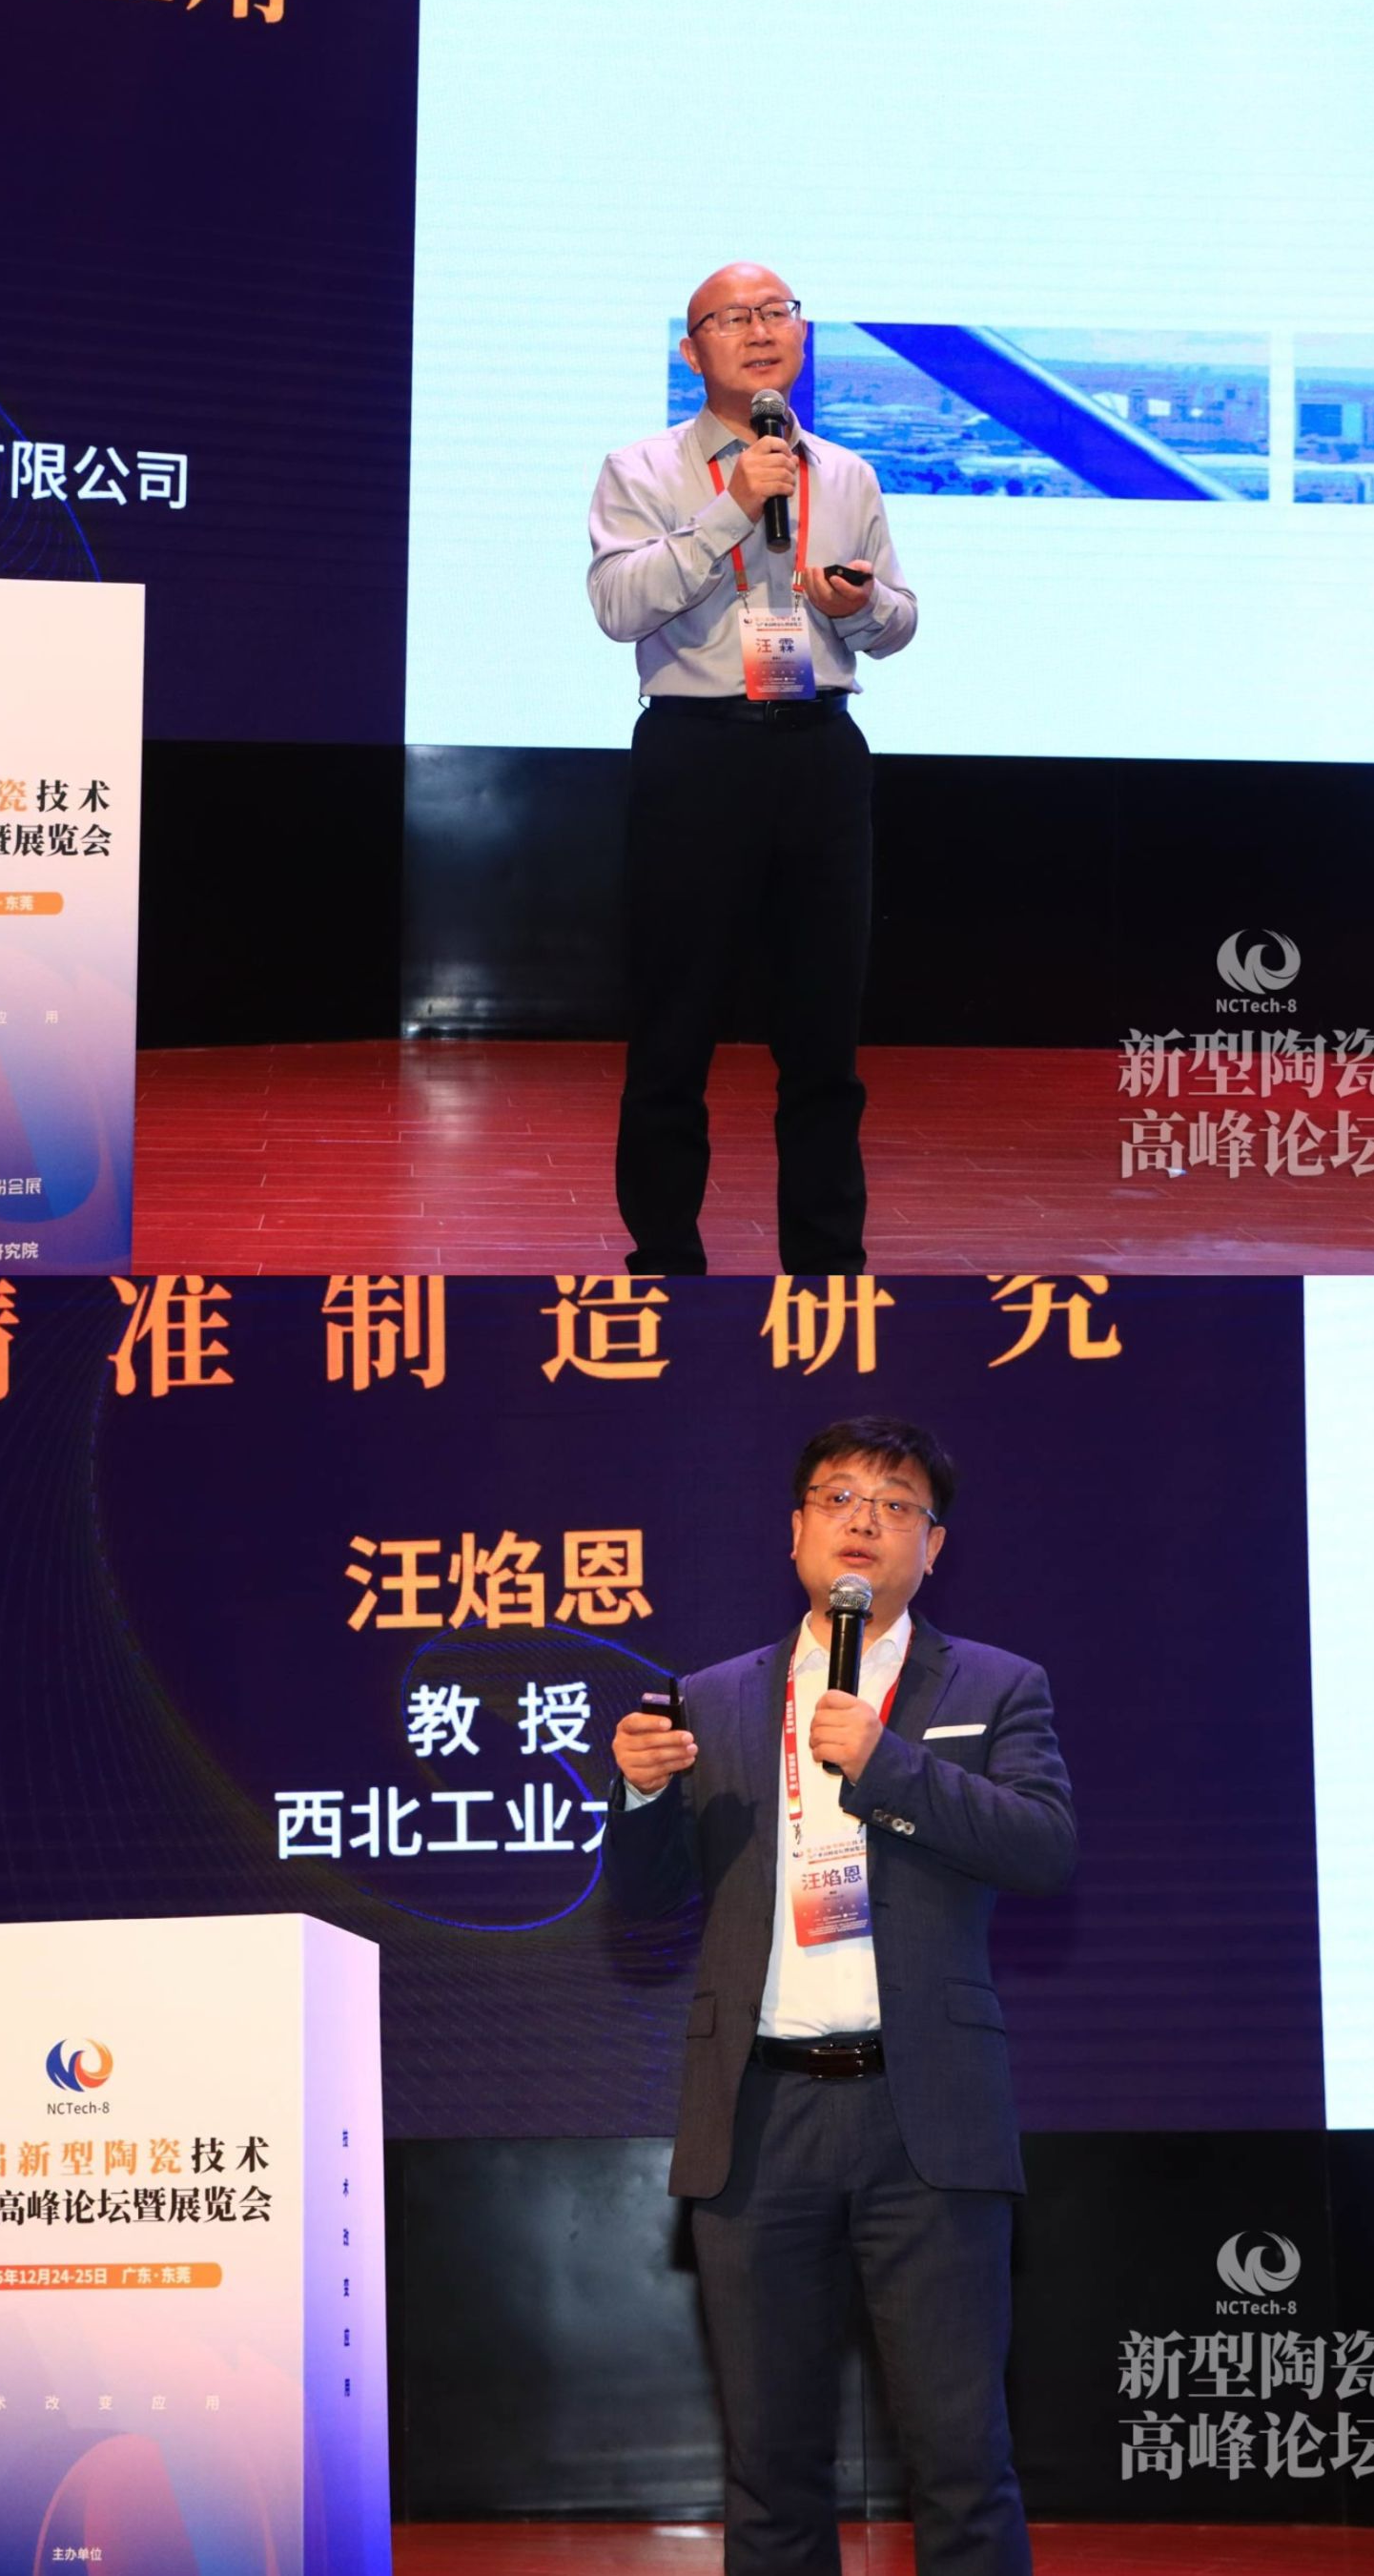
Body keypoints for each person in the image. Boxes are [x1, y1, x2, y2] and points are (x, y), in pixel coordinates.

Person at [604, 1416, 1076, 2576]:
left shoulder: (996, 1686)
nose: (863, 1519)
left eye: (895, 1503)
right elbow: (644, 1906)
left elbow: (1043, 1847)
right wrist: (639, 1797)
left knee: (959, 2458)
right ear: (795, 1531)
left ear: (932, 1544)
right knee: (769, 2466)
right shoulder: (709, 1699)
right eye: (838, 1496)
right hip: (757, 2117)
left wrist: (886, 1763)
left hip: (926, 2117)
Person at [587, 262, 918, 1277]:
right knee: (673, 1023)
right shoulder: (641, 470)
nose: (762, 331)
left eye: (778, 313)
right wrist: (731, 507)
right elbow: (618, 608)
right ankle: (662, 1258)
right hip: (697, 753)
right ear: (692, 352)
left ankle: (826, 1261)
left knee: (823, 1033)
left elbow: (898, 620)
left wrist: (857, 605)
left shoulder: (847, 475)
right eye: (733, 318)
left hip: (818, 752)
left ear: (801, 337)